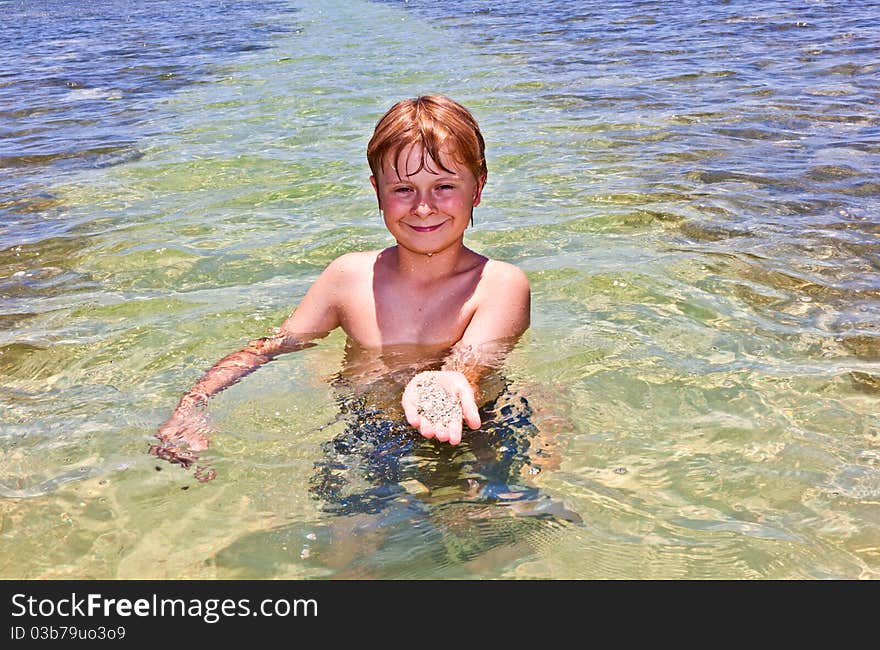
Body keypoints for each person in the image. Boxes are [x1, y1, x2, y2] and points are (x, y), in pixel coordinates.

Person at [153, 95, 531, 469]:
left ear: (477, 188)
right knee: (353, 525)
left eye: (444, 186)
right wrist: (193, 403)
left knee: (491, 519)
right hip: (370, 428)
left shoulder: (499, 284)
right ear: (377, 192)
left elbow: (470, 365)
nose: (423, 206)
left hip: (476, 423)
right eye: (403, 189)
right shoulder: (348, 278)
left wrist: (440, 384)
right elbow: (271, 346)